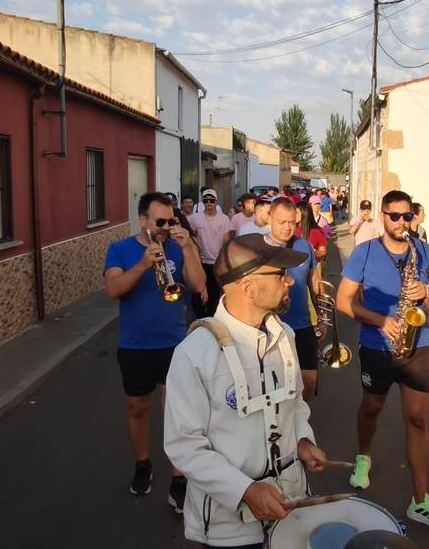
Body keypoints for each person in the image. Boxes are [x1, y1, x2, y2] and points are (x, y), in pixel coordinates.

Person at [164, 233, 328, 549]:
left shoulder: (285, 335)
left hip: (290, 507)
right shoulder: (195, 354)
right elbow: (184, 446)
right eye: (279, 274)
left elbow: (295, 403)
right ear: (248, 286)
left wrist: (303, 440)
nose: (290, 281)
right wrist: (245, 491)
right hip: (227, 530)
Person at [335, 190, 429, 531]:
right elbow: (344, 301)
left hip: (419, 345)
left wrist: (427, 293)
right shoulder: (365, 251)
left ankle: (421, 500)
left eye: (408, 216)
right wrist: (381, 321)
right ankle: (363, 455)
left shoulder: (425, 251)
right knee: (371, 407)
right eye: (395, 216)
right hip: (377, 346)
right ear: (383, 216)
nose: (402, 222)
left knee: (417, 418)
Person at [103, 192, 206, 510]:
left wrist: (188, 248)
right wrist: (142, 265)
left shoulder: (178, 246)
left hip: (174, 343)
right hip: (135, 345)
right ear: (143, 220)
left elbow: (198, 286)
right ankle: (143, 463)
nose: (166, 227)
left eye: (170, 220)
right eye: (160, 221)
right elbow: (113, 289)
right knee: (138, 408)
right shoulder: (120, 250)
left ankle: (178, 478)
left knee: (175, 411)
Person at [265, 199, 322, 402]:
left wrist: (322, 318)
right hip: (270, 326)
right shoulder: (258, 247)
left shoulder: (304, 246)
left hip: (302, 324)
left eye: (291, 222)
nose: (287, 227)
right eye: (281, 222)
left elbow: (314, 281)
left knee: (310, 379)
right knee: (275, 382)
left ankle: (301, 414)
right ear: (269, 219)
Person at [189, 188, 232, 317]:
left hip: (216, 263)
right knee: (198, 293)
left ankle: (210, 319)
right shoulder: (195, 218)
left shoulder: (224, 219)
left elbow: (226, 240)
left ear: (216, 201)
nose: (209, 203)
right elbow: (192, 236)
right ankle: (200, 318)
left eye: (211, 200)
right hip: (200, 262)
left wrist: (224, 261)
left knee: (214, 295)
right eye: (206, 200)